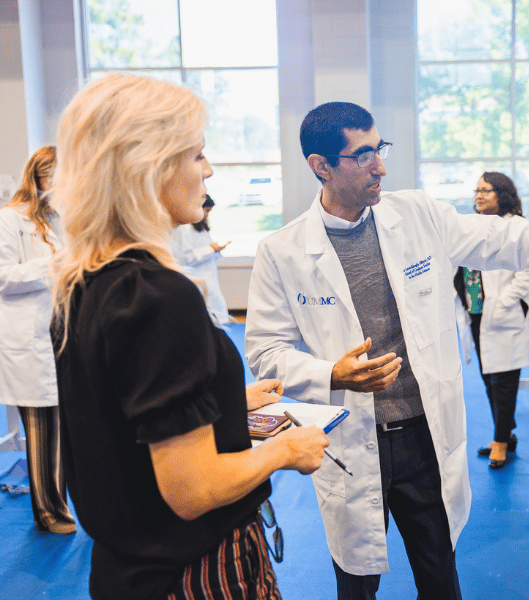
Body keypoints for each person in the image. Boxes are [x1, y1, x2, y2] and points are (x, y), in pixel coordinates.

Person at [244, 101, 529, 600]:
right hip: (353, 441)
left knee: (439, 573)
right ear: (322, 167)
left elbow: (510, 238)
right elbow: (265, 352)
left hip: (424, 434)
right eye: (362, 156)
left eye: (380, 149)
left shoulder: (417, 215)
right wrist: (330, 373)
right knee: (356, 583)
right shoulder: (282, 252)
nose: (380, 165)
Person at [49, 73, 329, 600]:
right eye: (196, 155)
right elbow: (192, 490)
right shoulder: (158, 296)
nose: (209, 170)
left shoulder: (86, 284)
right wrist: (285, 450)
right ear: (149, 169)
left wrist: (223, 403)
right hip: (196, 575)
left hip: (126, 571)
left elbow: (123, 420)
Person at [0, 145, 76, 534]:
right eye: (55, 179)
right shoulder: (9, 219)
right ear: (38, 177)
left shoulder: (59, 220)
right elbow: (3, 277)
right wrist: (54, 263)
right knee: (41, 430)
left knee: (62, 427)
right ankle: (48, 512)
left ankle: (60, 505)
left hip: (61, 332)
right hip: (29, 340)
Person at [454, 171, 529, 469]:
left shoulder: (517, 226)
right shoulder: (474, 225)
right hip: (476, 313)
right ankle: (504, 434)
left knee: (504, 382)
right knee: (489, 379)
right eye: (476, 190)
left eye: (486, 190)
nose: (478, 195)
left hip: (501, 313)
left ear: (502, 193)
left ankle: (502, 441)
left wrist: (505, 300)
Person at [170, 194, 235, 326]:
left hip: (208, 279)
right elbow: (185, 258)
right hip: (196, 280)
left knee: (216, 322)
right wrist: (210, 249)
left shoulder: (200, 228)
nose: (207, 215)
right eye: (206, 211)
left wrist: (216, 249)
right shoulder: (185, 228)